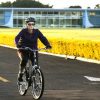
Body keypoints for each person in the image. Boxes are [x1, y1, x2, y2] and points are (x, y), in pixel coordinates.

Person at [15, 17, 51, 81]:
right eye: (29, 24)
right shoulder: (23, 31)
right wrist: (17, 44)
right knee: (25, 60)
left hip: (33, 50)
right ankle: (21, 73)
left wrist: (47, 45)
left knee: (35, 65)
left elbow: (43, 38)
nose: (31, 25)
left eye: (32, 24)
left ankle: (33, 77)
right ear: (26, 24)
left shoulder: (37, 31)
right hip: (23, 49)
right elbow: (17, 38)